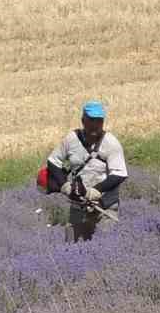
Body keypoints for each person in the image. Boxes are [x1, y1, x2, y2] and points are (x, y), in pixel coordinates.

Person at [46, 101, 129, 243]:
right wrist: (64, 185)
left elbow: (119, 174)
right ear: (83, 121)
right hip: (77, 206)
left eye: (99, 121)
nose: (95, 125)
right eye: (91, 120)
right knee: (73, 246)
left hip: (104, 207)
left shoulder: (111, 143)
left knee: (107, 246)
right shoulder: (71, 139)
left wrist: (95, 191)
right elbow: (53, 161)